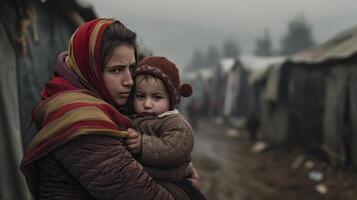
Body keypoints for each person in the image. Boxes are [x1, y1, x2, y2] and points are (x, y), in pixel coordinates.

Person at [20, 18, 199, 200]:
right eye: (116, 70)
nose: (129, 80)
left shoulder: (97, 106)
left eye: (131, 68)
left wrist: (180, 170)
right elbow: (140, 192)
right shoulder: (83, 122)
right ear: (90, 68)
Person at [124, 57, 205, 199]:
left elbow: (174, 149)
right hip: (149, 181)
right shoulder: (133, 118)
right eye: (140, 96)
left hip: (174, 183)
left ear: (171, 100)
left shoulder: (174, 123)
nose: (147, 104)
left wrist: (143, 144)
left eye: (157, 97)